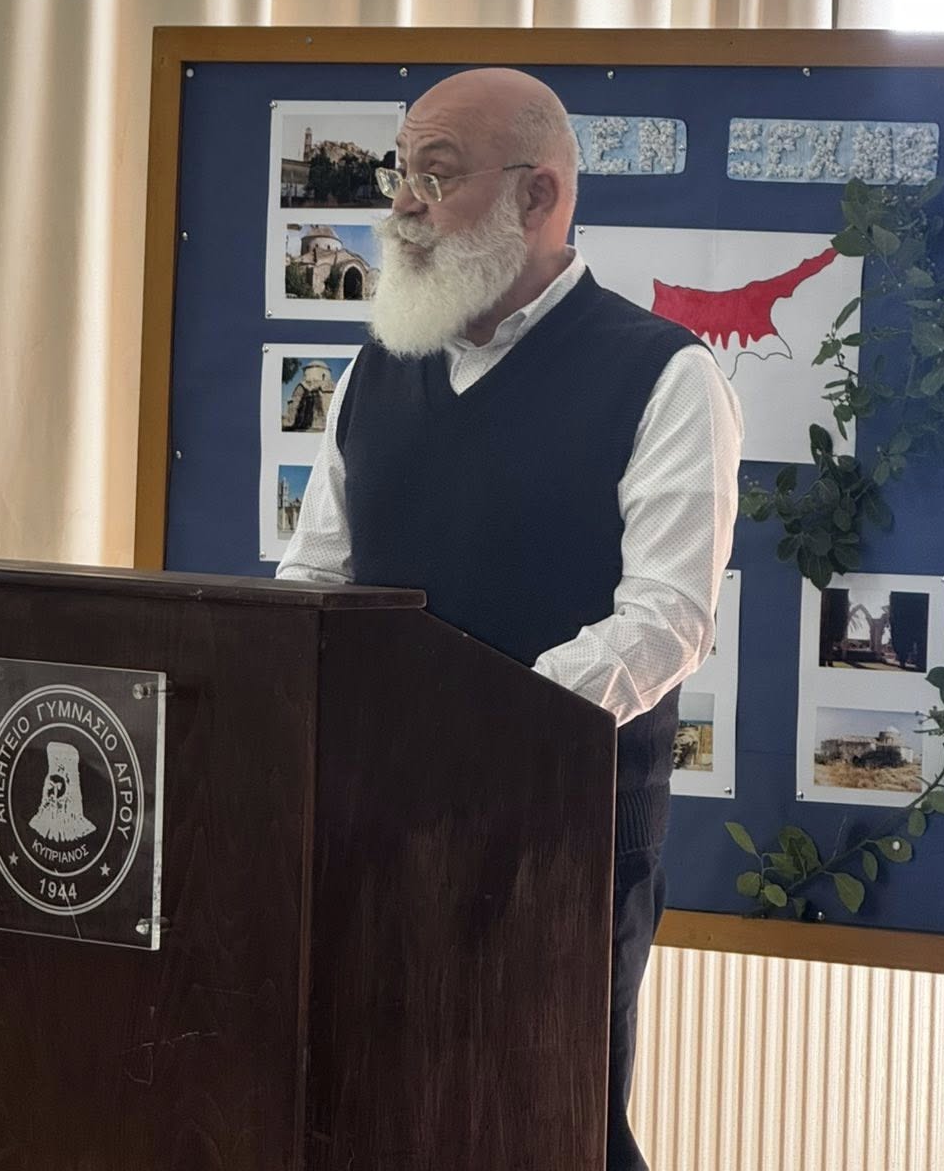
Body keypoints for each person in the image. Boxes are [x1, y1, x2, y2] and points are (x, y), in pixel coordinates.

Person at [277, 65, 743, 1170]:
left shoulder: (666, 375)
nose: (403, 205)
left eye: (436, 176)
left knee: (542, 1125)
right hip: (367, 827)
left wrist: (478, 735)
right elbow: (313, 580)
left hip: (558, 840)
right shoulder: (376, 368)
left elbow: (667, 619)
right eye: (401, 173)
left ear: (539, 196)